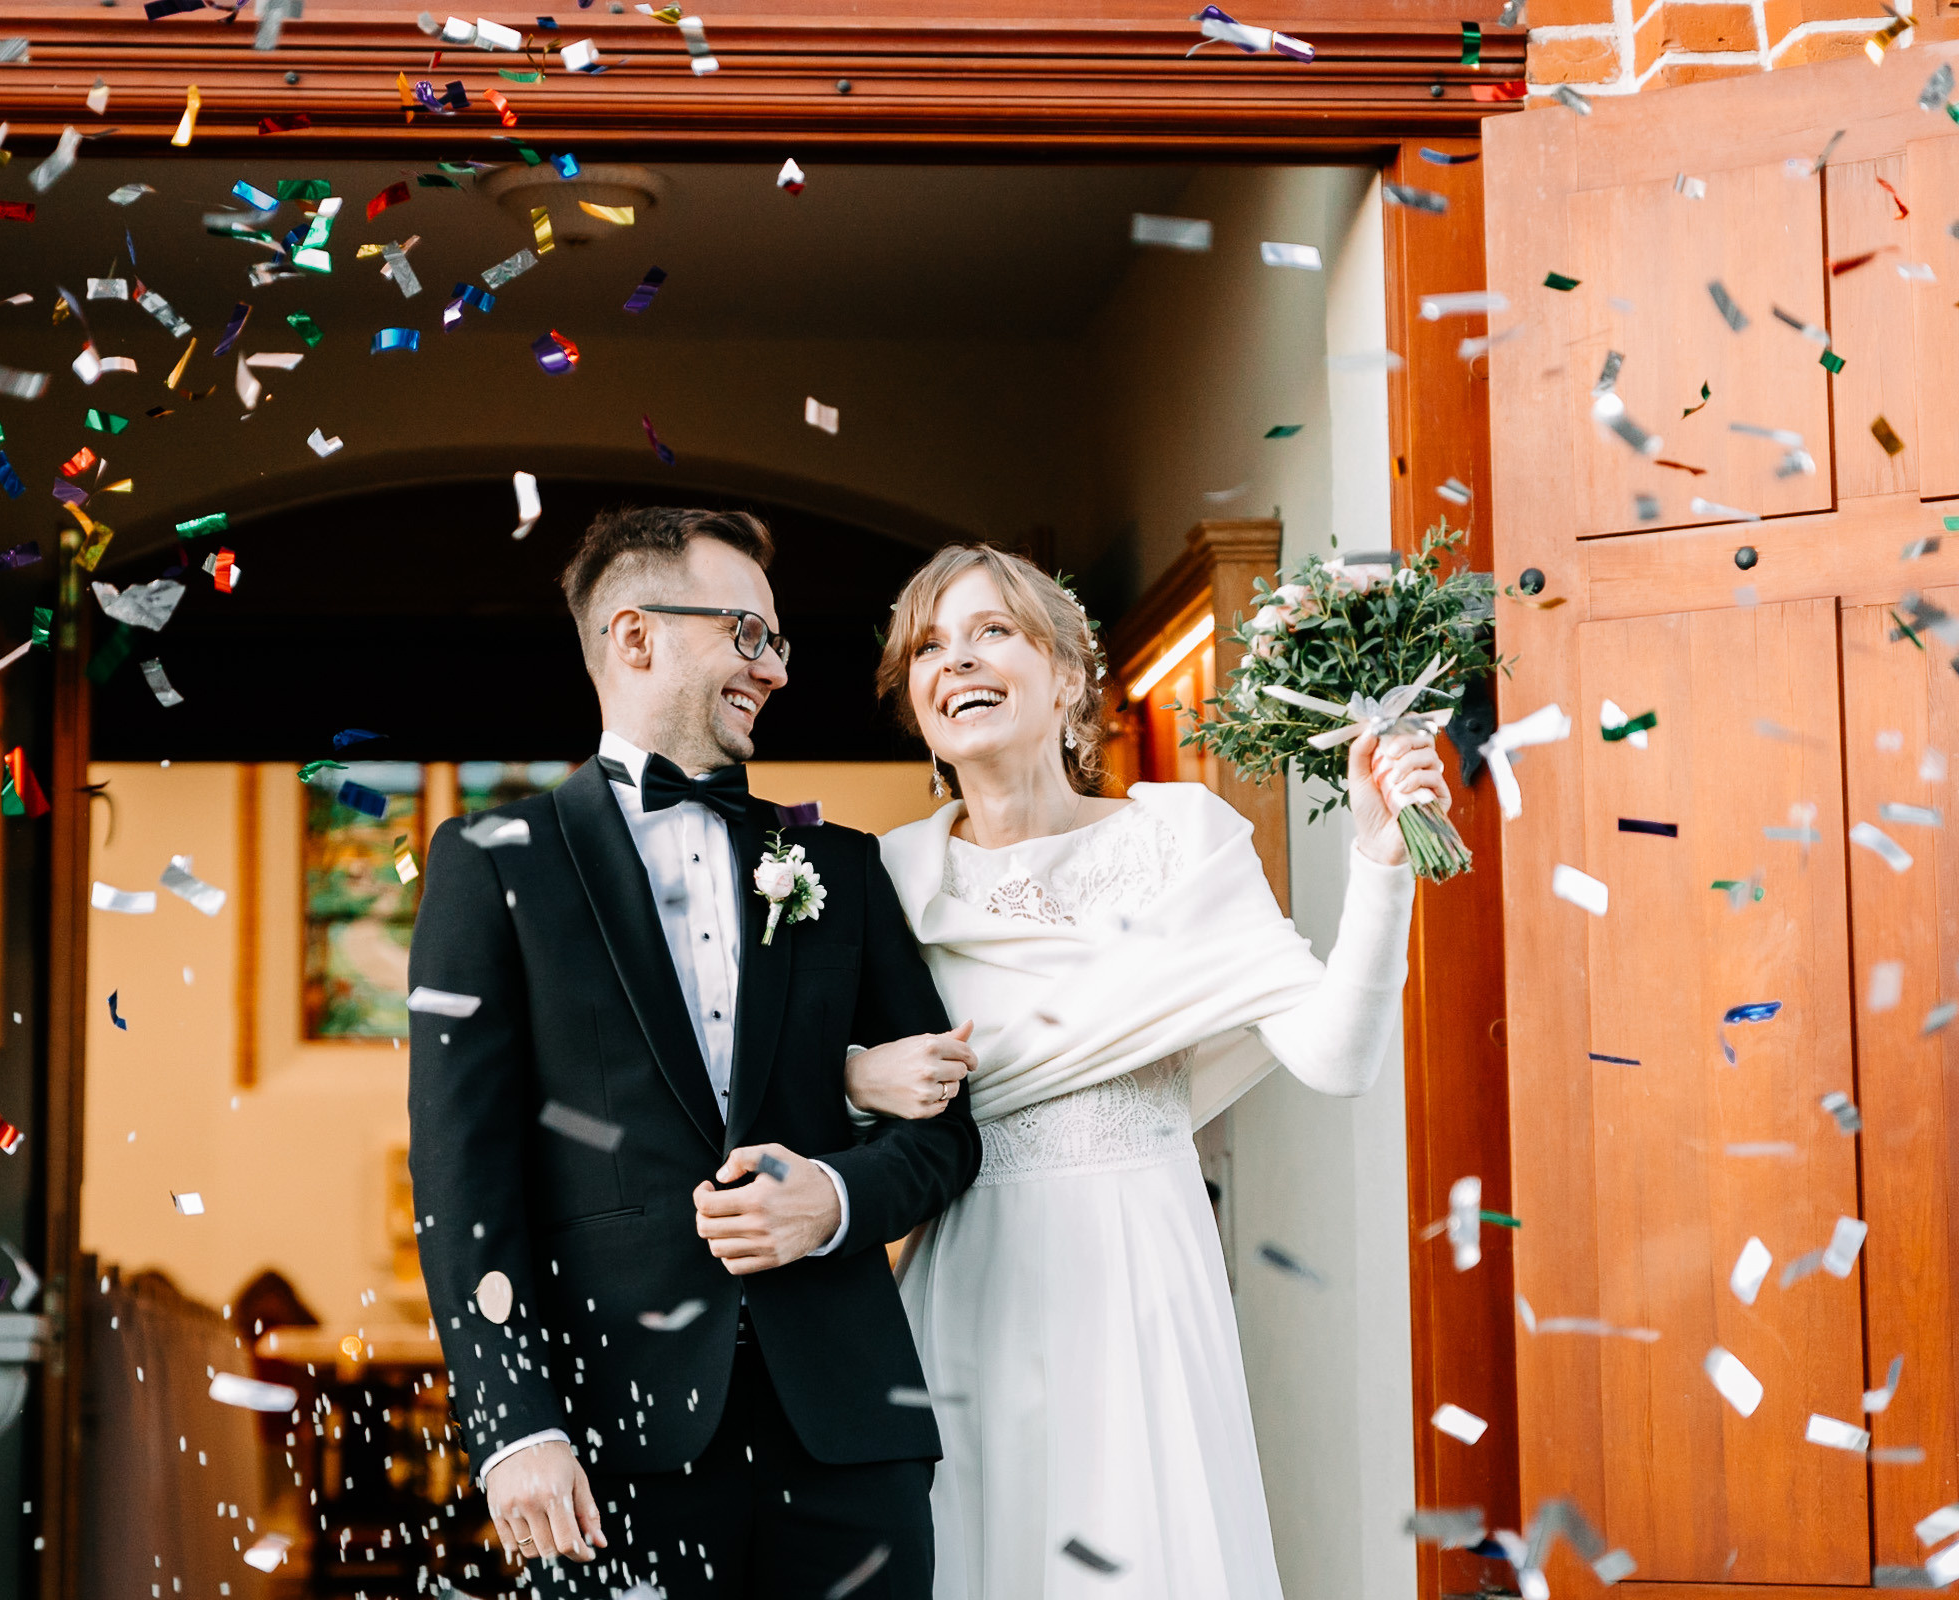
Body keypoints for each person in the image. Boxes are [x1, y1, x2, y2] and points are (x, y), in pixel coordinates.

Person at [847, 543, 1448, 1600]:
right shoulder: (889, 877)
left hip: (1143, 1267)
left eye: (992, 630)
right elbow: (797, 1093)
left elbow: (1337, 1056)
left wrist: (1379, 861)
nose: (956, 660)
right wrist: (858, 1078)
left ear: (1070, 674)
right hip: (975, 1277)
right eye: (929, 646)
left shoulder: (1182, 836)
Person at [406, 506, 983, 1598]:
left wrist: (832, 1197)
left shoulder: (839, 865)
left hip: (849, 1435)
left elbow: (945, 1130)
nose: (773, 671)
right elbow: (460, 1172)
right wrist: (513, 1423)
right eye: (749, 636)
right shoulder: (494, 863)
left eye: (779, 645)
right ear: (636, 637)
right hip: (607, 1446)